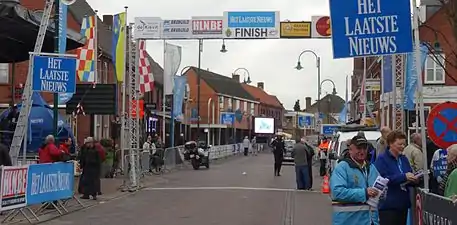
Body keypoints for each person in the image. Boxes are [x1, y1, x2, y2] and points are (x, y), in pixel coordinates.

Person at [330, 135, 380, 225]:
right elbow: (337, 192)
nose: (362, 151)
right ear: (350, 150)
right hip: (348, 221)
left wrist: (382, 193)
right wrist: (364, 193)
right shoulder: (342, 167)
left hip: (370, 221)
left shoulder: (371, 168)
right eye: (358, 148)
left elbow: (379, 192)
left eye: (364, 148)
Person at [375, 130, 417, 225]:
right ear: (390, 143)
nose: (402, 147)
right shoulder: (382, 159)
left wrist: (414, 179)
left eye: (404, 144)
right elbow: (383, 179)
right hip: (388, 206)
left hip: (403, 204)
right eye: (400, 144)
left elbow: (408, 173)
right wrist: (403, 177)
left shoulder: (403, 159)